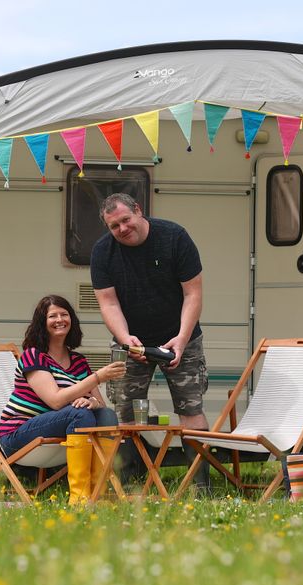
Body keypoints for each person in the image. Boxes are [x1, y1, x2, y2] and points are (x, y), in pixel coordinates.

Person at [89, 193, 210, 487]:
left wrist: (181, 339)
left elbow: (193, 294)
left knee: (190, 409)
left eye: (125, 220)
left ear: (138, 211)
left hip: (181, 336)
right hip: (131, 340)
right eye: (114, 226)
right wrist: (125, 339)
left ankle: (200, 484)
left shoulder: (174, 237)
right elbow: (108, 304)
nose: (121, 229)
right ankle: (131, 481)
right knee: (125, 410)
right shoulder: (102, 252)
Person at [0, 295, 126, 503]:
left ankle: (98, 494)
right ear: (42, 323)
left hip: (58, 428)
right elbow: (55, 401)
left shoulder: (79, 361)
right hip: (18, 435)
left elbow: (100, 404)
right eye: (52, 316)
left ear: (71, 320)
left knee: (107, 415)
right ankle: (79, 498)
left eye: (64, 314)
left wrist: (91, 402)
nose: (60, 319)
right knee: (79, 415)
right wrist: (98, 377)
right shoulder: (34, 356)